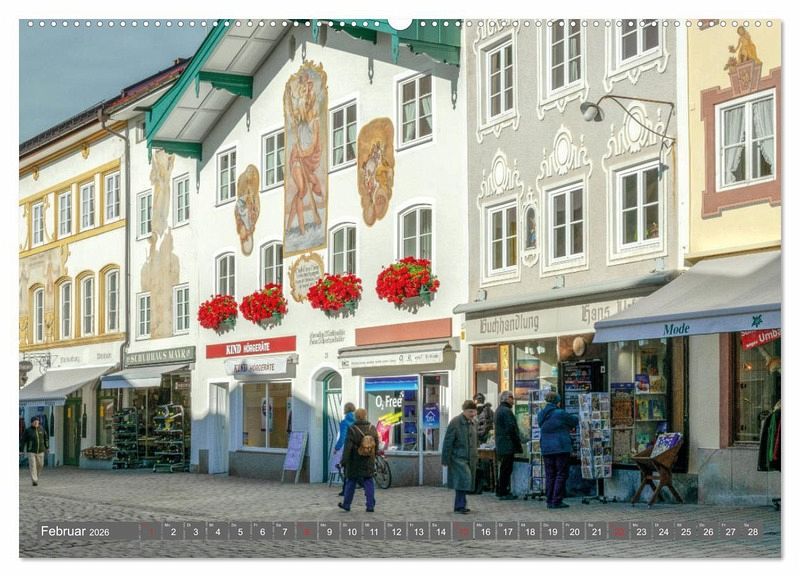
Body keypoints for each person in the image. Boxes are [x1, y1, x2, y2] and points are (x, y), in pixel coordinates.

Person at [538, 391, 579, 509]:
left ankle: (549, 500)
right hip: (560, 447)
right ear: (557, 402)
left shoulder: (541, 414)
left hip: (546, 448)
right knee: (561, 473)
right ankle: (556, 500)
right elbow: (574, 420)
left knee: (550, 474)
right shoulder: (560, 413)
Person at [338, 408, 380, 513]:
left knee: (351, 482)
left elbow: (348, 447)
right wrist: (374, 455)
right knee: (368, 481)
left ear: (356, 417)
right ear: (365, 416)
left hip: (354, 461)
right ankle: (370, 505)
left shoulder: (352, 429)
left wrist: (343, 461)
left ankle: (346, 504)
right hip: (368, 460)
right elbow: (376, 443)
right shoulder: (372, 428)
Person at [442, 400, 479, 514]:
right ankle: (460, 505)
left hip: (470, 457)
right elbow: (448, 441)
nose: (472, 414)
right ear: (464, 411)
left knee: (465, 481)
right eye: (470, 411)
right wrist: (445, 458)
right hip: (458, 457)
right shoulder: (455, 422)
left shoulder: (473, 423)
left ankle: (460, 505)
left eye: (474, 411)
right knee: (464, 479)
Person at [494, 390, 522, 500]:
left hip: (502, 444)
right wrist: (517, 440)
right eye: (512, 398)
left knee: (504, 469)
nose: (513, 400)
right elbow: (511, 428)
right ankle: (503, 492)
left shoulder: (500, 410)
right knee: (506, 469)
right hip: (507, 444)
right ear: (507, 398)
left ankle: (500, 490)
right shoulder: (506, 411)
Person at [473, 393, 494, 494]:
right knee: (484, 463)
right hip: (484, 441)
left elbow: (482, 428)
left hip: (483, 441)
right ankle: (486, 483)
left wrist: (478, 435)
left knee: (483, 462)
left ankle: (485, 483)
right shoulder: (489, 411)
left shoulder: (480, 412)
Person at [334, 403, 356, 496]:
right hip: (357, 448)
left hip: (347, 448)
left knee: (346, 468)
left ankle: (345, 490)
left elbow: (342, 437)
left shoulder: (344, 422)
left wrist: (337, 448)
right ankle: (347, 488)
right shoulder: (357, 421)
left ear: (345, 410)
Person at [20, 416, 49, 486]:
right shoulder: (28, 430)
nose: (36, 422)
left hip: (41, 451)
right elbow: (23, 441)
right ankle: (34, 480)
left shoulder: (42, 429)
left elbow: (46, 438)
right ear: (31, 423)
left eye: (37, 421)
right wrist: (21, 450)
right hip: (31, 451)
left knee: (40, 465)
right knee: (33, 466)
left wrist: (47, 447)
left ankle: (36, 477)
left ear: (39, 422)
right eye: (34, 422)